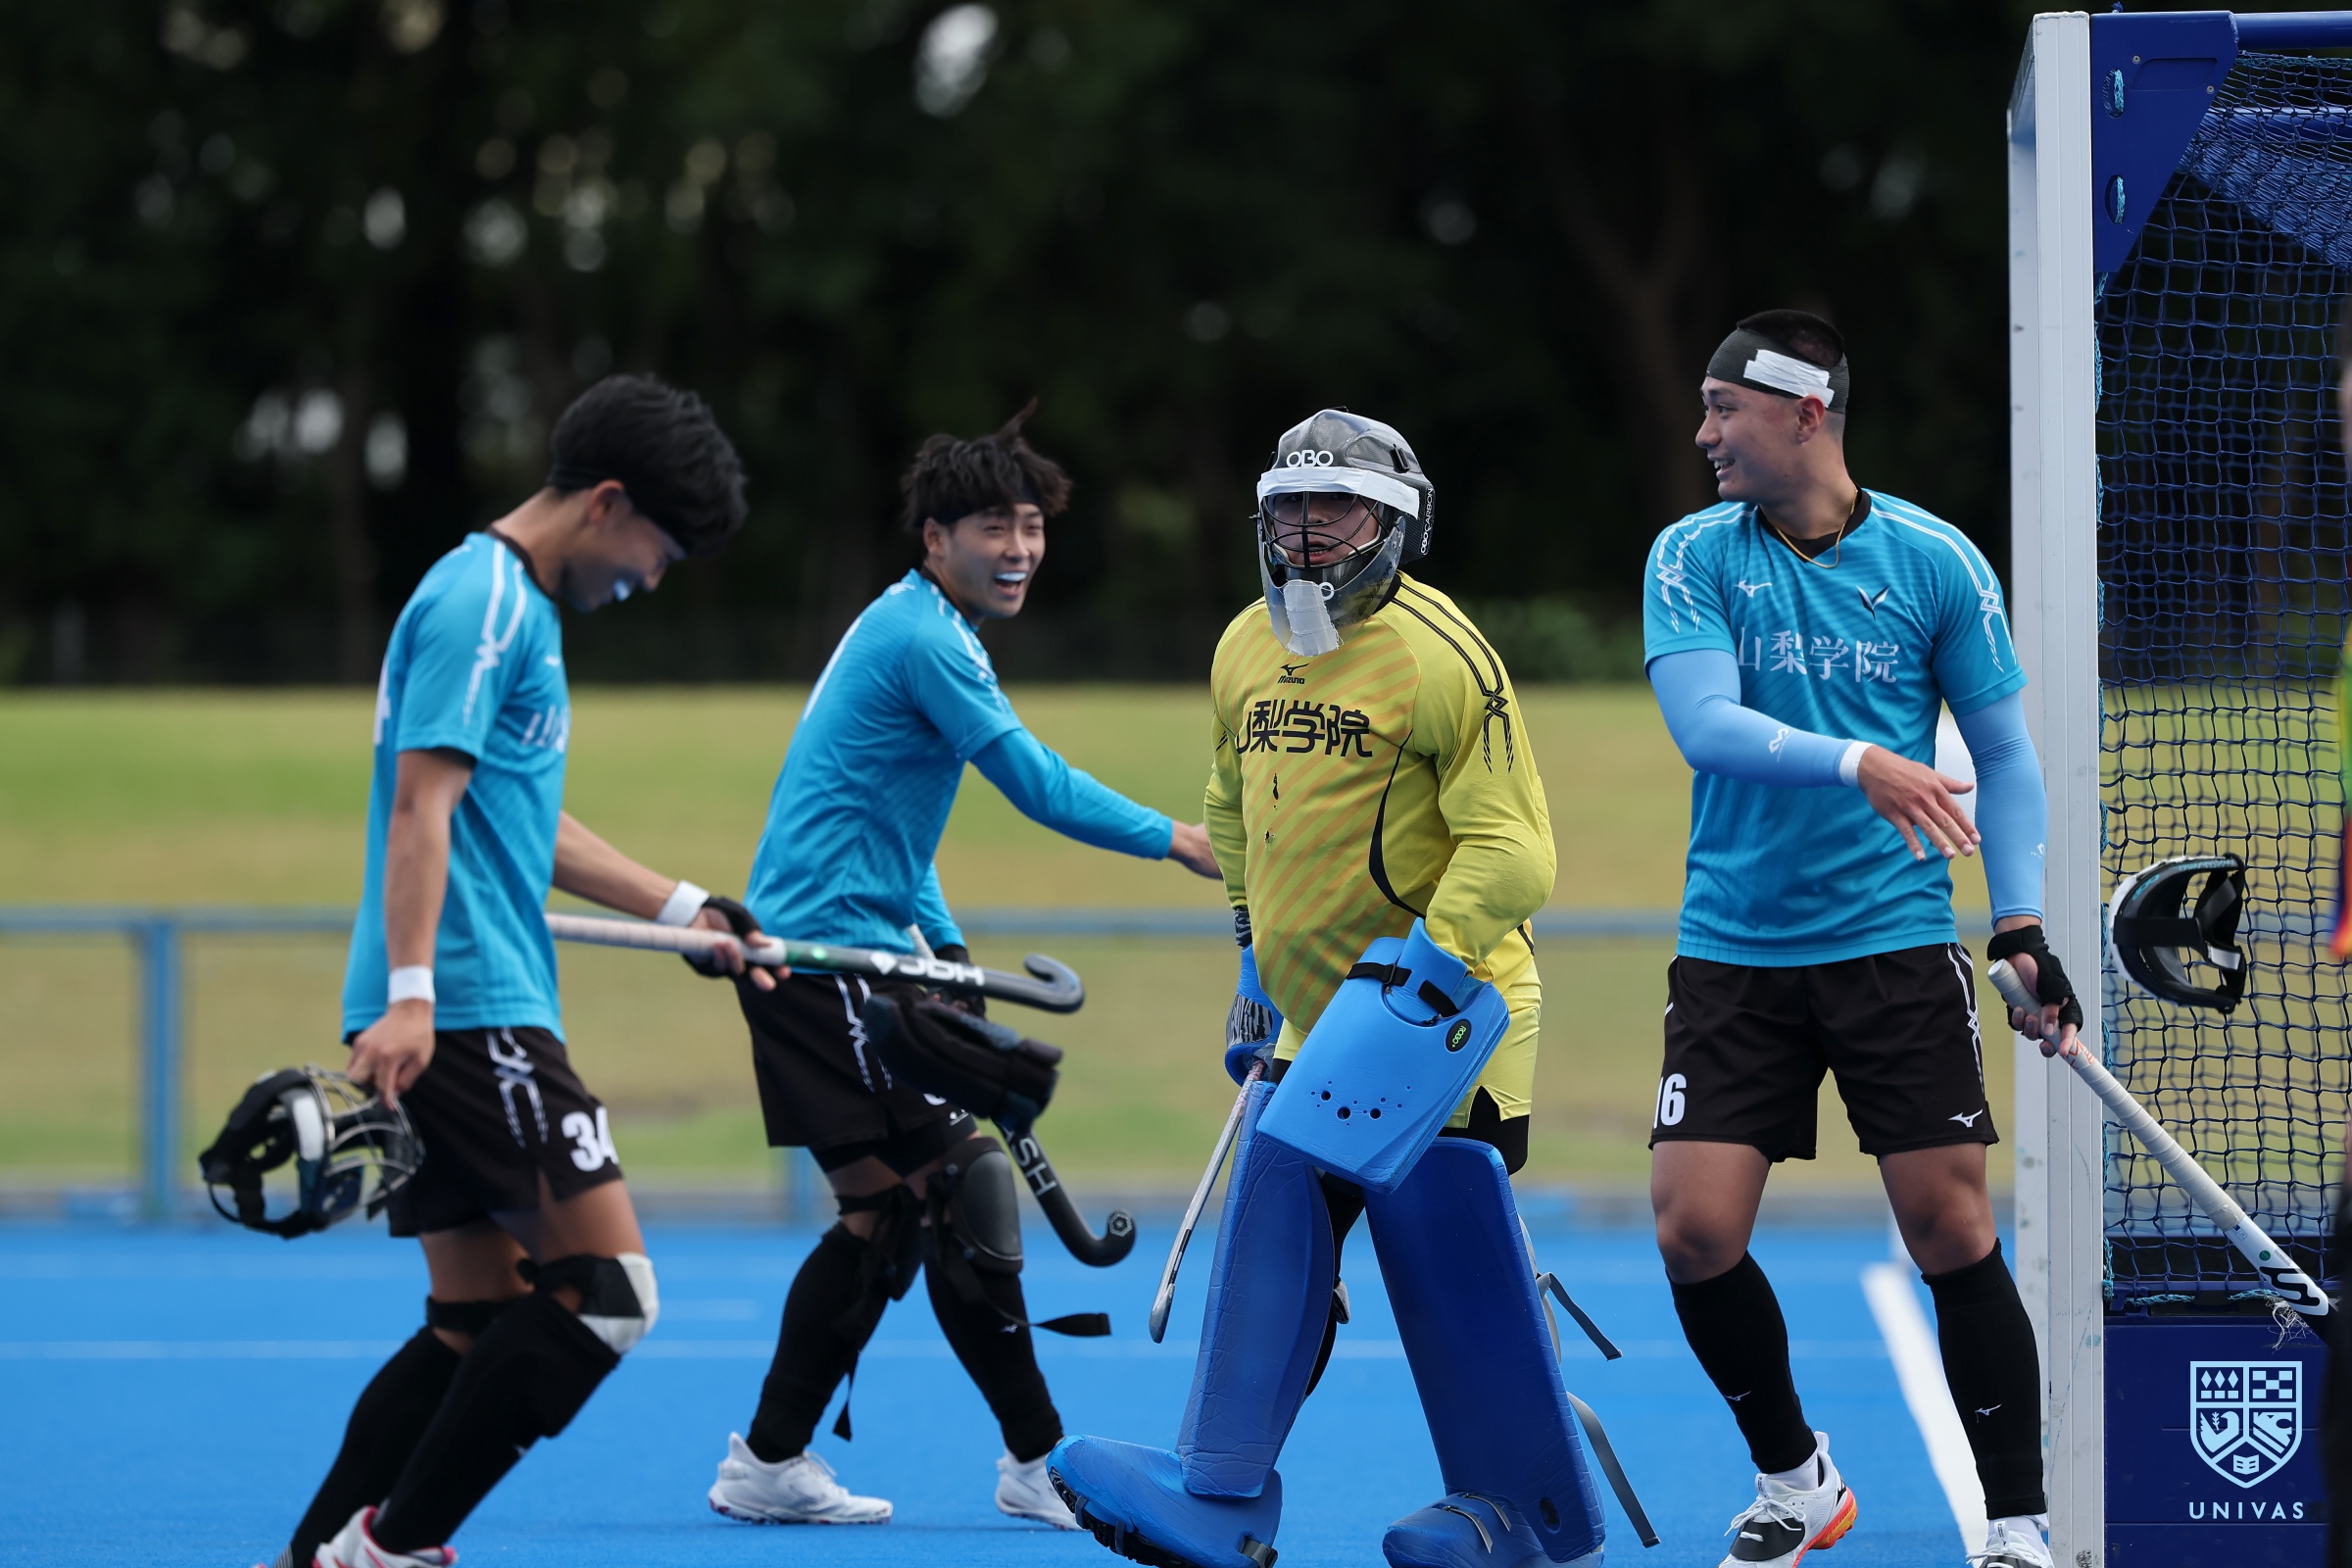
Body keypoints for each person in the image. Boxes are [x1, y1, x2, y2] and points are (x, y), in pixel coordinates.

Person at [1051, 409, 1607, 1568]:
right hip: (1316, 1021)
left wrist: (1424, 972)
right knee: (1274, 1237)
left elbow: (1515, 850)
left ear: (1396, 524)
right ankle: (1219, 1493)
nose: (1306, 532)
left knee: (1451, 1256)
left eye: (1336, 508)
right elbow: (1229, 807)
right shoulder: (1243, 645)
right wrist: (1255, 963)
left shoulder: (1445, 657)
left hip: (1450, 1015)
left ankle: (1522, 1512)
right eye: (1289, 507)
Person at [695, 405, 1221, 1532]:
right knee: (962, 1182)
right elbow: (1033, 780)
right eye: (994, 526)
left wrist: (944, 953)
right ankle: (1036, 1459)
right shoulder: (928, 640)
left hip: (854, 950)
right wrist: (1177, 838)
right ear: (935, 539)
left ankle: (770, 1460)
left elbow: (894, 823)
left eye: (1033, 525)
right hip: (824, 957)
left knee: (883, 1215)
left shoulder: (922, 624)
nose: (1020, 548)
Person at [267, 374, 760, 1568]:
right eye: (657, 551)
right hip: (466, 1005)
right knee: (609, 1289)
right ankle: (388, 1552)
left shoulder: (509, 607)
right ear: (606, 501)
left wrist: (686, 910)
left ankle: (314, 1560)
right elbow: (420, 809)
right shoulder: (486, 602)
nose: (650, 580)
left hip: (452, 999)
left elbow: (519, 818)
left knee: (475, 1315)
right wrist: (413, 998)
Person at [1642, 311, 2080, 1568]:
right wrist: (1861, 761)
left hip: (1892, 946)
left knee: (1950, 1226)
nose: (1703, 432)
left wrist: (2020, 920)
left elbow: (2003, 756)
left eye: (1724, 407)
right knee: (1693, 1229)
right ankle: (1798, 1481)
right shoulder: (1692, 554)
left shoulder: (1937, 561)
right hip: (1735, 947)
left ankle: (2018, 1522)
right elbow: (1706, 727)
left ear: (1805, 413)